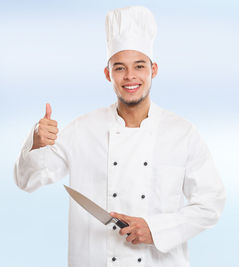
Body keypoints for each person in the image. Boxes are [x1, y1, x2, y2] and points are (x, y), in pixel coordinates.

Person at [14, 6, 225, 267]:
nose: (130, 77)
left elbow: (210, 204)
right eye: (119, 68)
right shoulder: (82, 130)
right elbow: (27, 181)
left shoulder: (182, 133)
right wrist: (36, 144)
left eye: (139, 66)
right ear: (108, 74)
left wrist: (156, 230)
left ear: (154, 70)